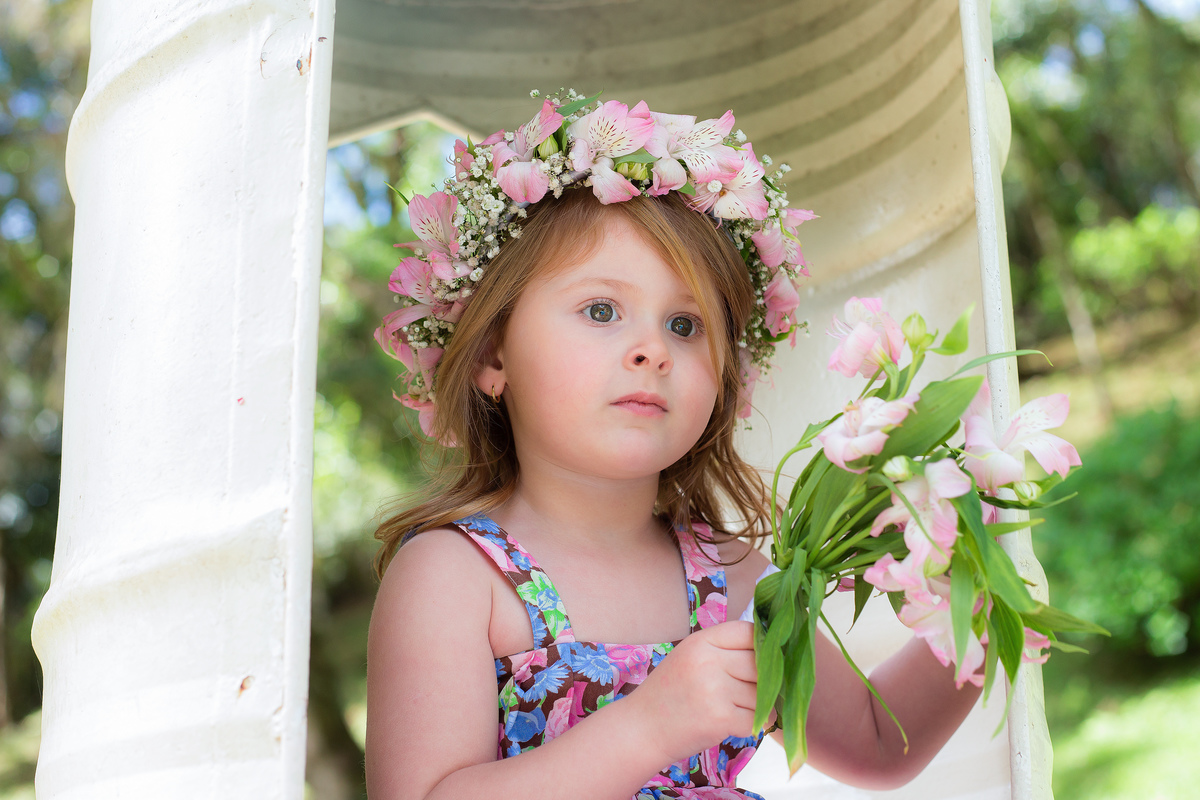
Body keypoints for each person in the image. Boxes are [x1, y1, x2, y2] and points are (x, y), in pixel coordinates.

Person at [365, 93, 982, 799]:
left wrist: (981, 603)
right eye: (602, 310)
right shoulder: (455, 576)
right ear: (492, 357)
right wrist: (651, 724)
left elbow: (878, 745)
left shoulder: (735, 579)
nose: (652, 349)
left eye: (686, 325)